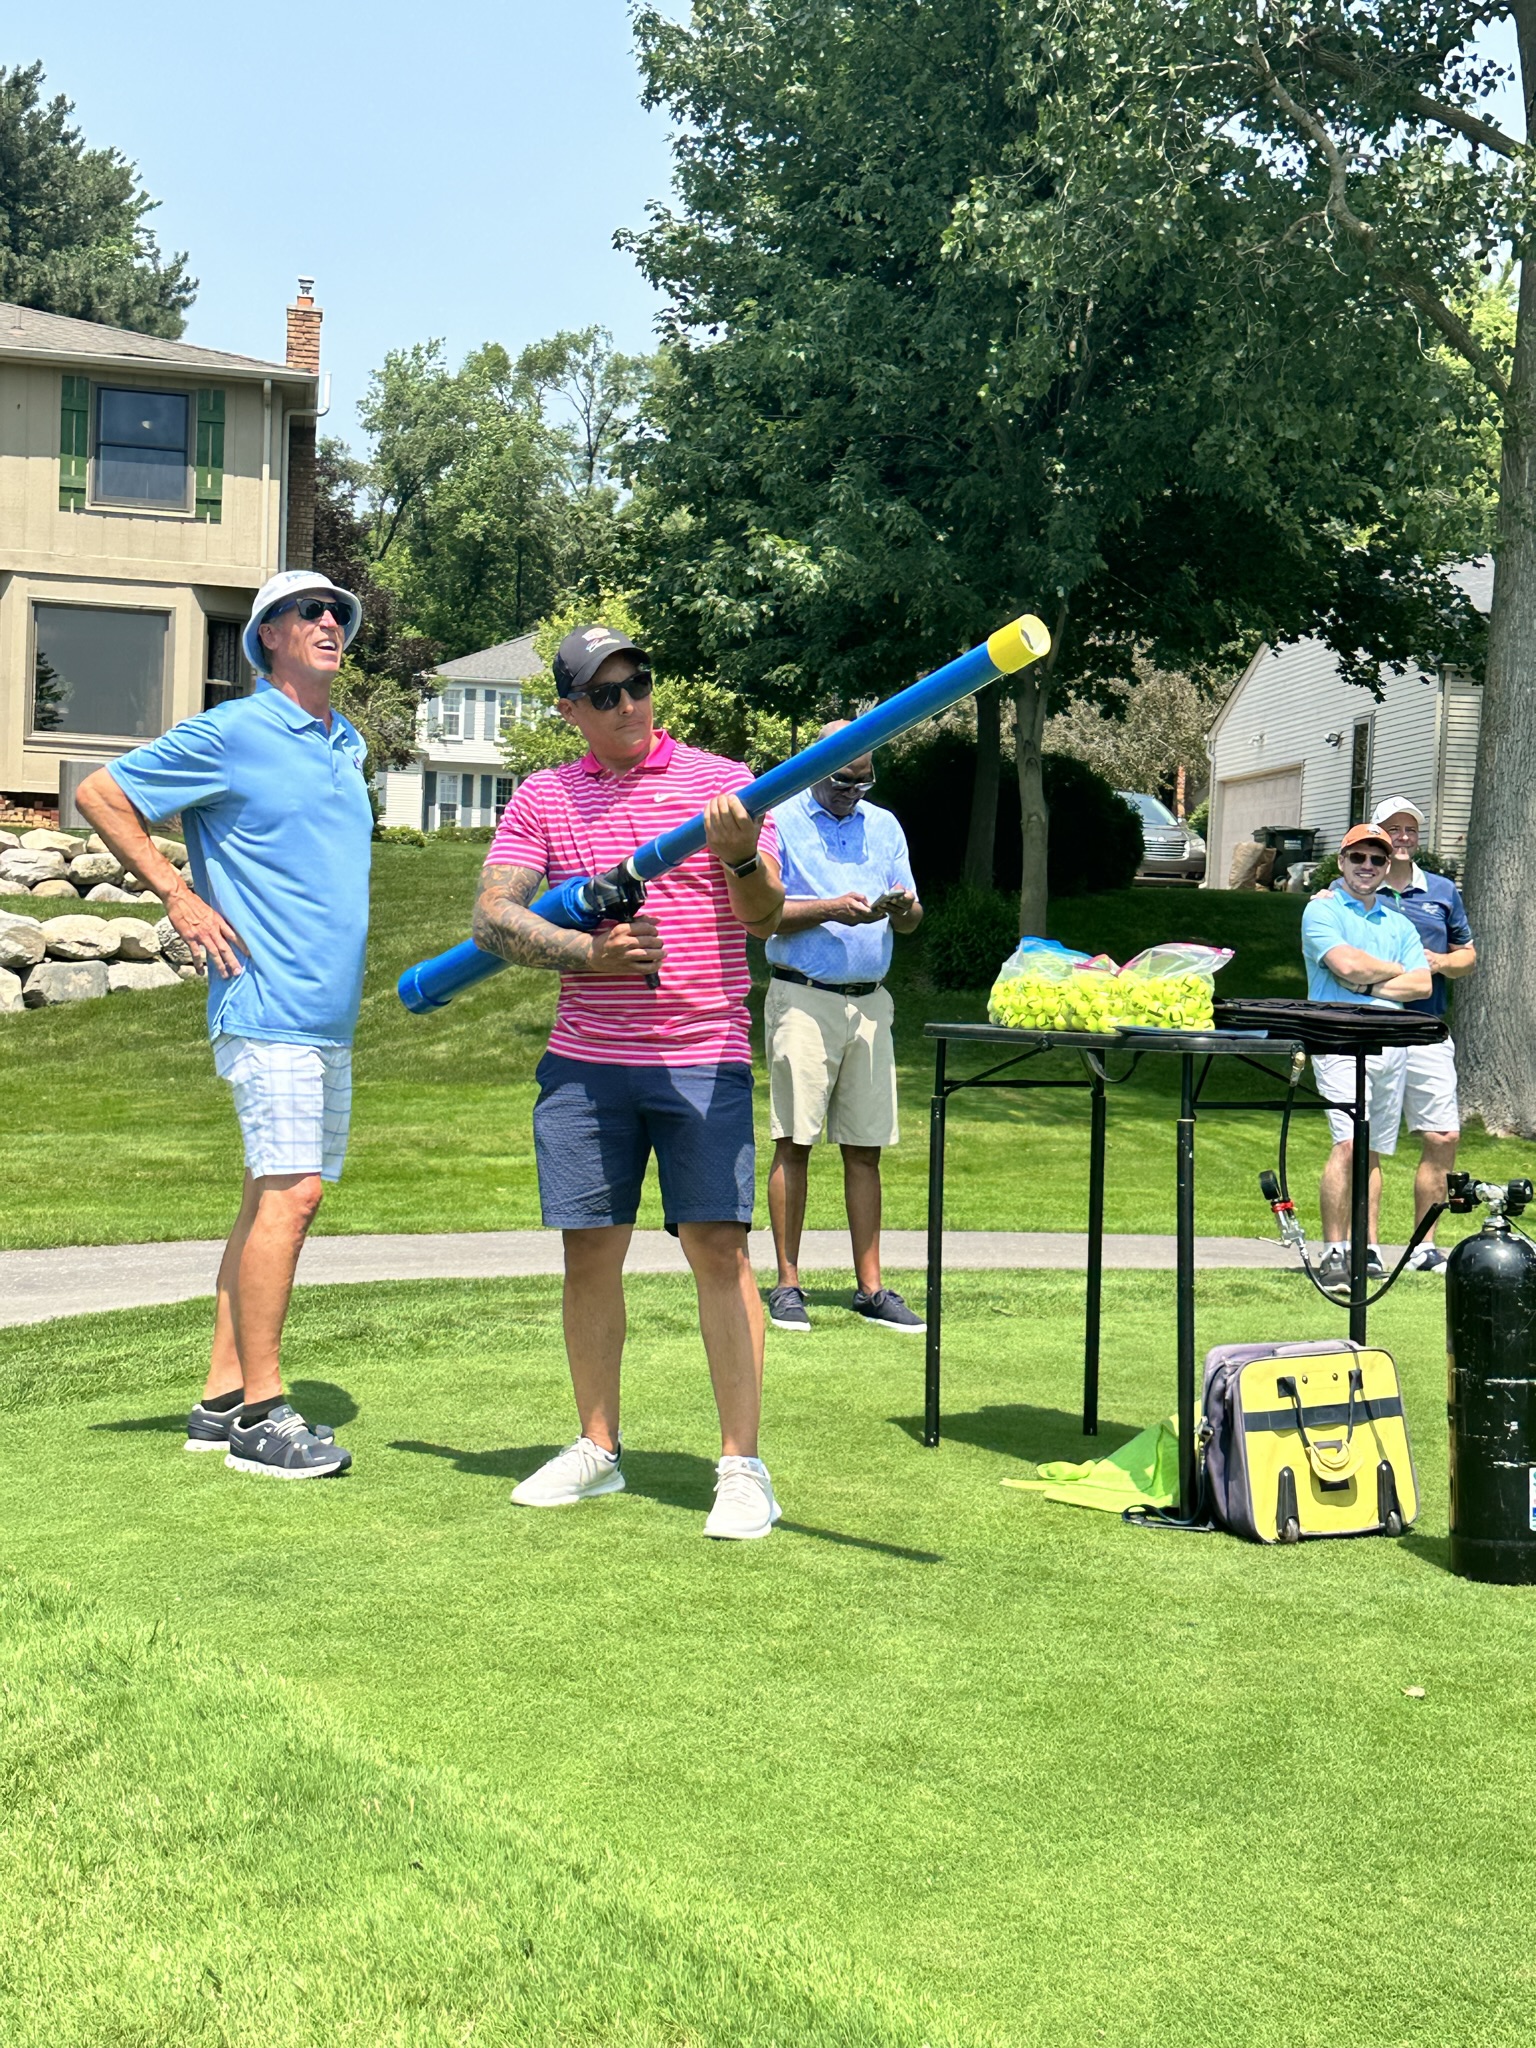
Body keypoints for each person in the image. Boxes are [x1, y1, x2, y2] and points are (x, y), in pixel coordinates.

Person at [474, 625, 787, 1540]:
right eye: (604, 694)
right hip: (585, 1064)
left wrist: (737, 856)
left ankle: (742, 1468)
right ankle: (598, 1449)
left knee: (720, 1256)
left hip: (704, 1054)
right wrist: (586, 954)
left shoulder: (721, 783)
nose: (628, 704)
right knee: (589, 1254)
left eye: (638, 684)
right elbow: (492, 915)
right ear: (570, 709)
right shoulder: (545, 795)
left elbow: (765, 919)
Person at [75, 568, 370, 1479]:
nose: (330, 622)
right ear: (269, 635)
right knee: (294, 1196)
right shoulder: (235, 731)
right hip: (266, 1004)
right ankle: (263, 1417)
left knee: (267, 1201)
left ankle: (218, 1398)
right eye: (309, 612)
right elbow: (99, 791)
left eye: (338, 613)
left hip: (325, 1017)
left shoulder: (346, 742)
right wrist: (178, 894)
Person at [761, 725, 924, 1334]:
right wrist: (830, 907)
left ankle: (872, 1288)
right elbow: (763, 914)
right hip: (803, 998)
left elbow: (911, 918)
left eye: (864, 782)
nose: (852, 793)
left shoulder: (884, 826)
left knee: (865, 1147)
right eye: (841, 781)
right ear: (815, 768)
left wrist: (903, 909)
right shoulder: (777, 818)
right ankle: (787, 1283)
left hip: (870, 1004)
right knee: (794, 1141)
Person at [1301, 820, 1432, 1292]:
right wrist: (1380, 973)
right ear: (1341, 862)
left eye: (1378, 859)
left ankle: (1369, 1247)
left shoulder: (1398, 921)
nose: (1368, 866)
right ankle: (1335, 1250)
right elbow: (1345, 964)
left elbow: (1422, 984)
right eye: (1358, 857)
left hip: (1388, 1042)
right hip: (1337, 1039)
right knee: (1349, 1143)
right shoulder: (1322, 912)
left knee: (1371, 1148)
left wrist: (1368, 981)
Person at [1371, 797, 1477, 1274]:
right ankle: (1364, 1248)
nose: (1403, 838)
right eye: (1393, 829)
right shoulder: (1354, 887)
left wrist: (1436, 963)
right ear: (1375, 834)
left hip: (1428, 1029)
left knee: (1442, 1135)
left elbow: (1466, 956)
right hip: (1372, 1029)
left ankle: (1423, 1247)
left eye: (1410, 829)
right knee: (1365, 1138)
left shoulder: (1441, 891)